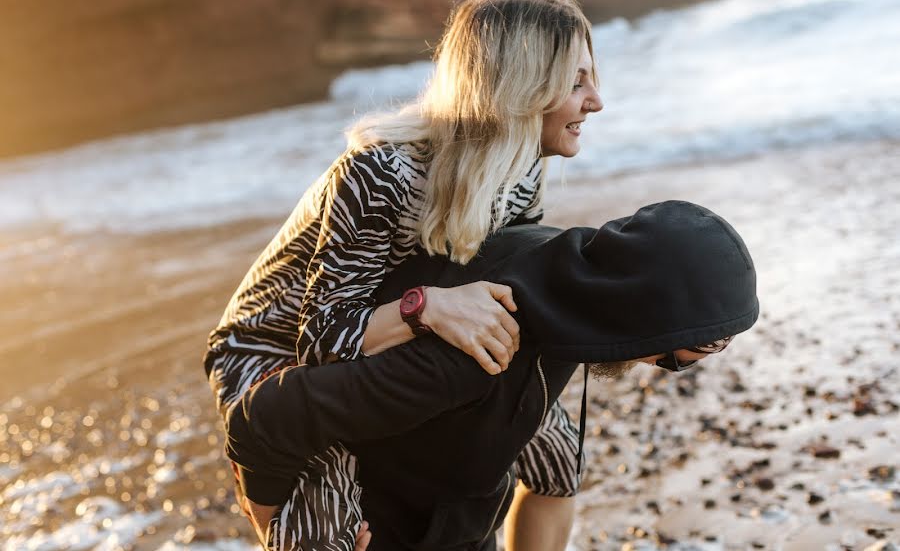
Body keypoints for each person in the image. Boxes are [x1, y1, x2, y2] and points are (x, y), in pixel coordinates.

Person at [204, 0, 603, 551]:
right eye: (577, 81)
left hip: (382, 318)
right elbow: (322, 339)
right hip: (272, 349)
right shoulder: (381, 174)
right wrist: (431, 307)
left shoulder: (519, 175)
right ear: (520, 86)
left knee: (559, 457)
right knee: (333, 532)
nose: (596, 101)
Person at [226, 200, 760, 550]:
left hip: (457, 463)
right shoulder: (472, 355)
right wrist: (269, 520)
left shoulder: (574, 278)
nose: (677, 366)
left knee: (559, 460)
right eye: (703, 345)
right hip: (379, 506)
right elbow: (260, 419)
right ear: (648, 314)